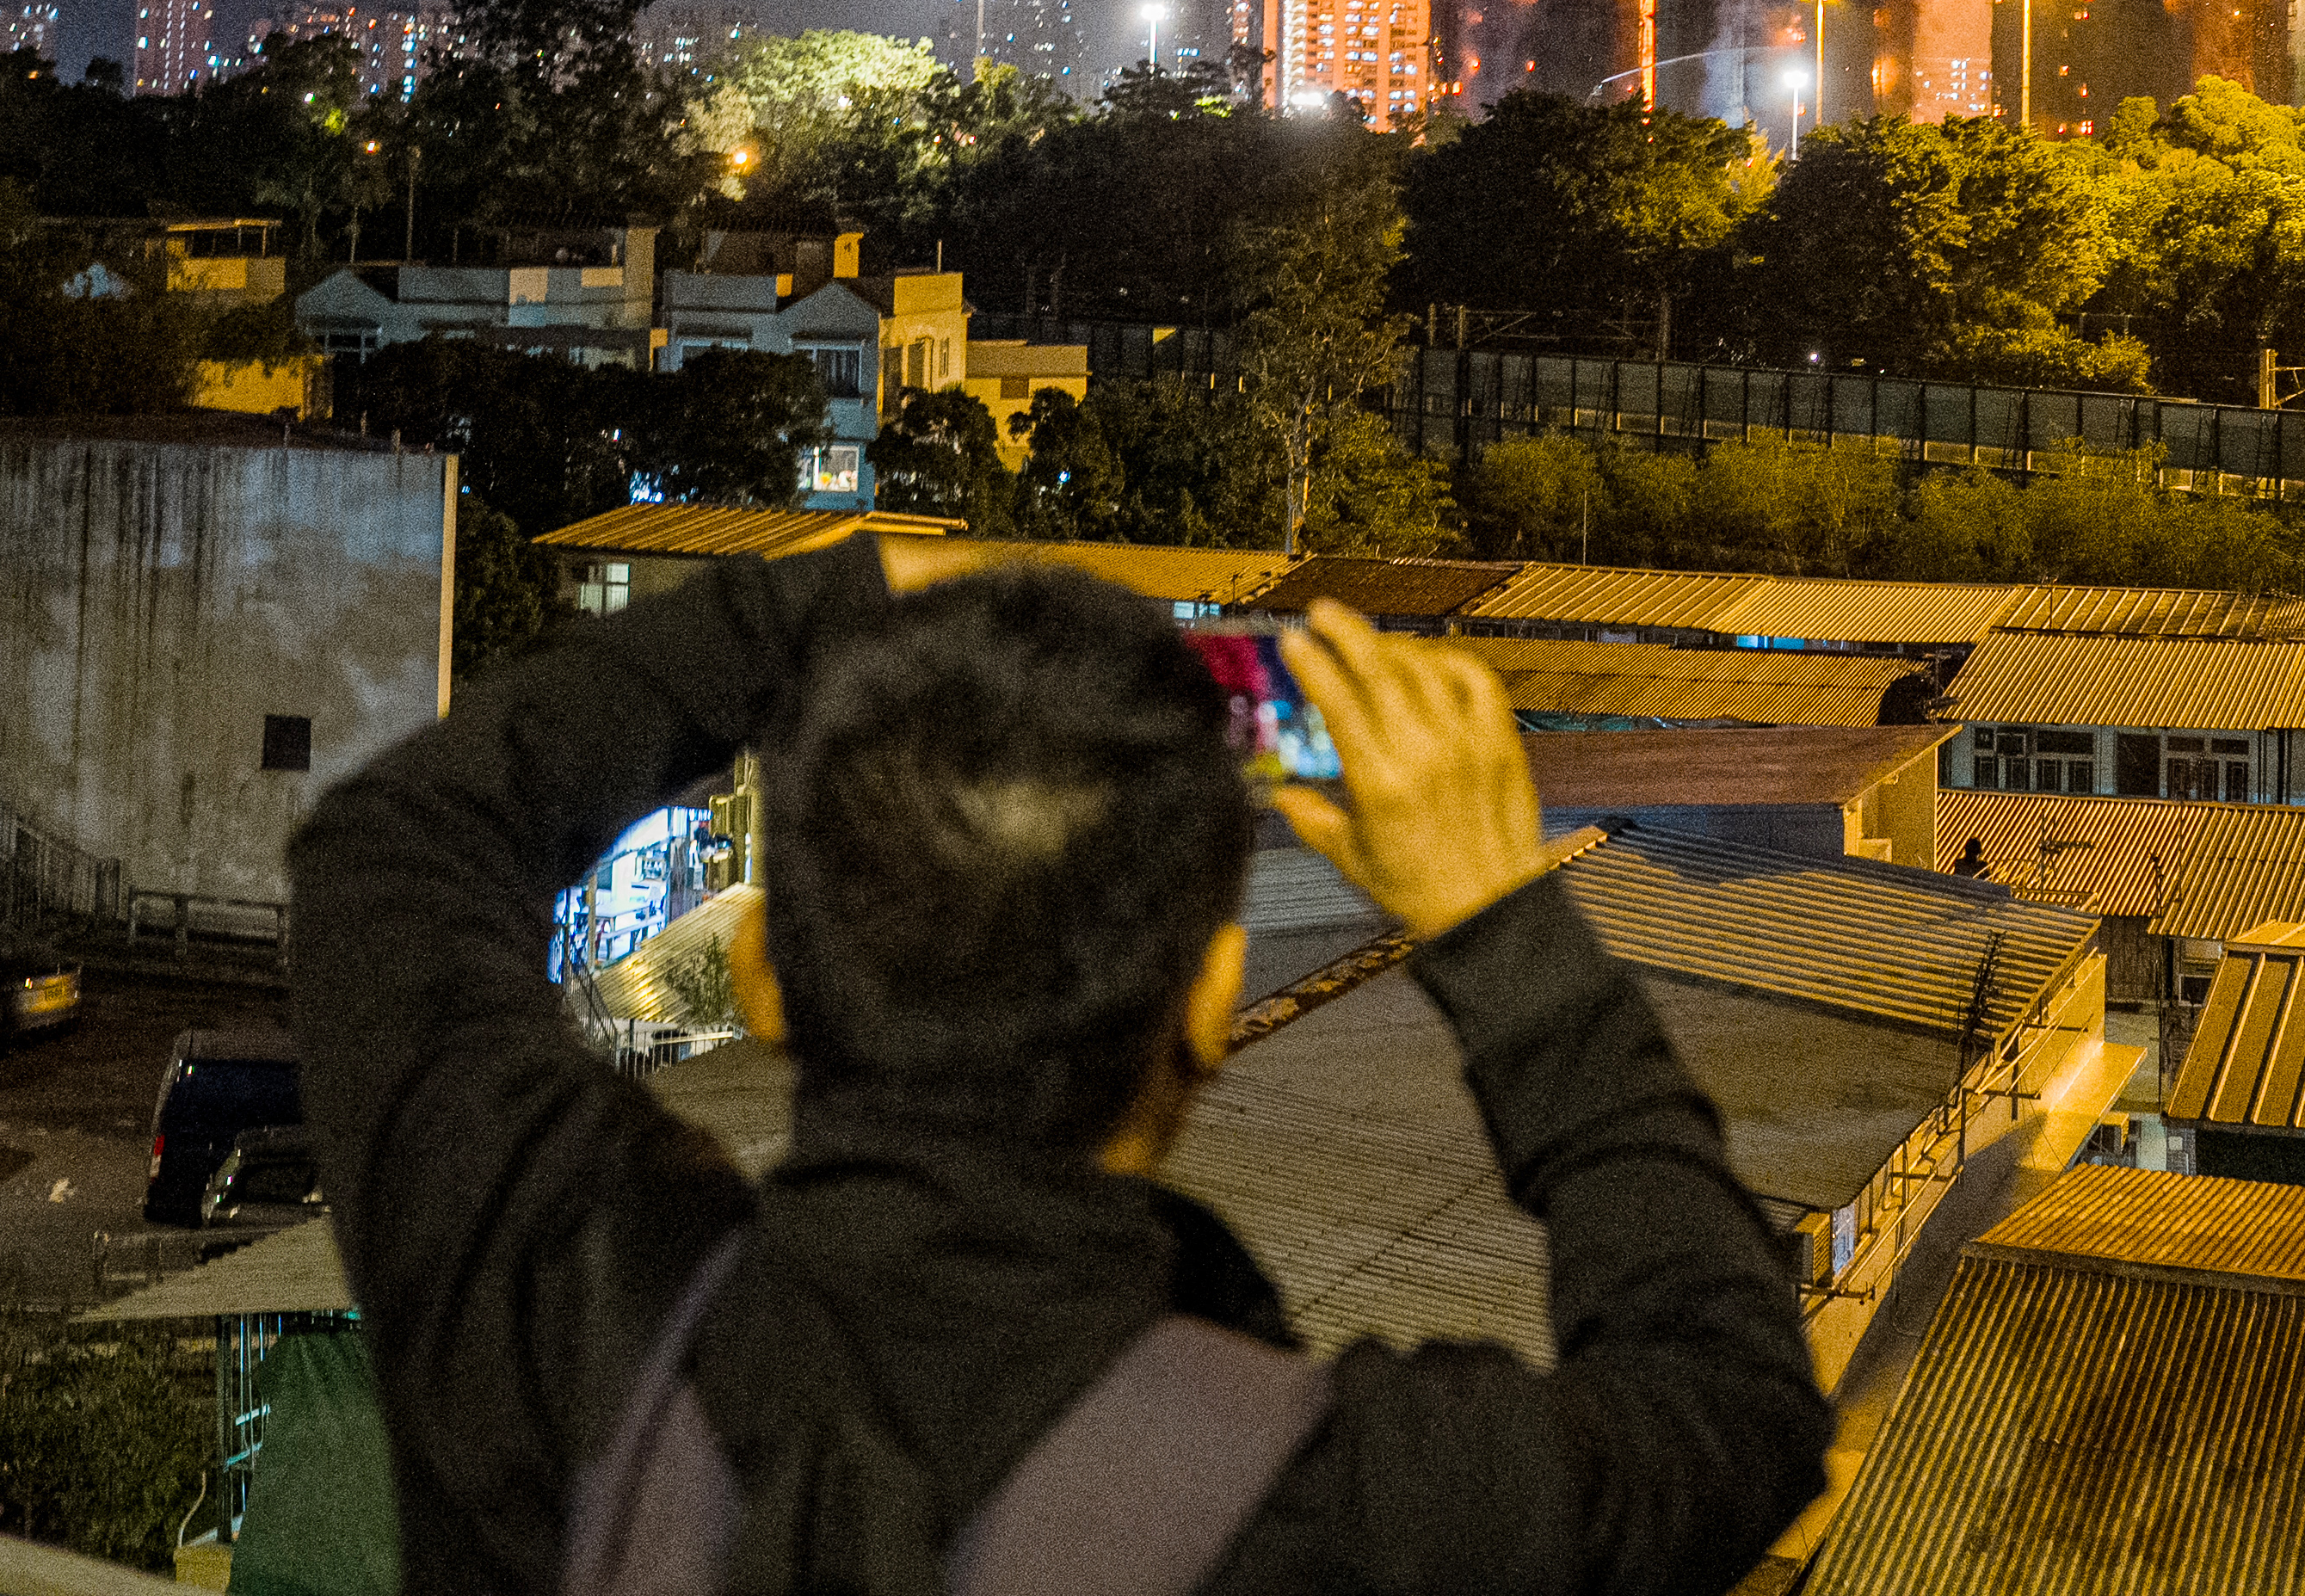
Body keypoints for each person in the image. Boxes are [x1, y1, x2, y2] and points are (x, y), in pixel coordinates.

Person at [289, 539, 1832, 1596]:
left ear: (761, 976)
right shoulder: (1354, 1504)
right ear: (1216, 995)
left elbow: (391, 851)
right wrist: (1497, 923)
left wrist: (830, 608)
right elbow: (1735, 1403)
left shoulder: (540, 1298)